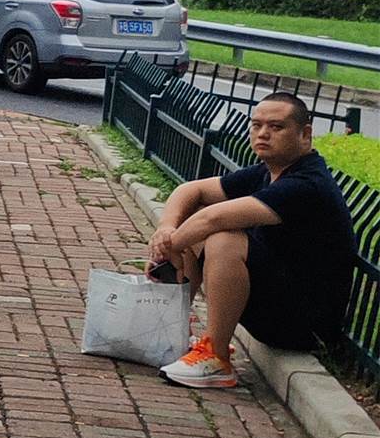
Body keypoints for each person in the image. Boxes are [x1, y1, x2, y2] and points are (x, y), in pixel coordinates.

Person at [147, 92, 357, 389]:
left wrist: (168, 249)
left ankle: (216, 359)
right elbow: (191, 191)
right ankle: (173, 333)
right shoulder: (268, 171)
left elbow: (214, 220)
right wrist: (167, 229)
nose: (263, 134)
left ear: (305, 134)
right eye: (256, 125)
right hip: (275, 298)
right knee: (194, 218)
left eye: (276, 127)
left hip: (304, 325)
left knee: (222, 239)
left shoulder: (307, 184)